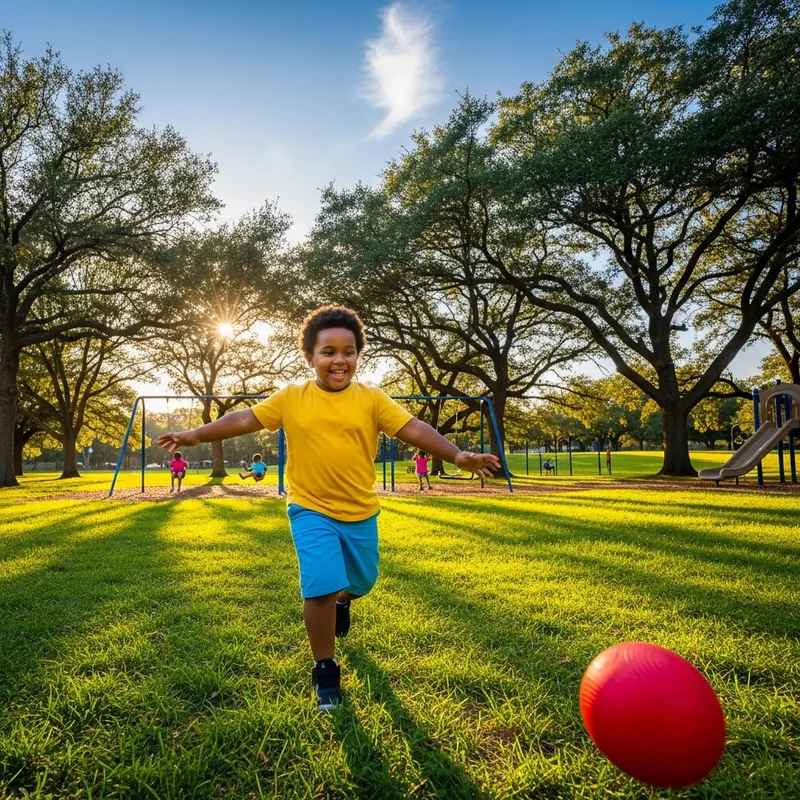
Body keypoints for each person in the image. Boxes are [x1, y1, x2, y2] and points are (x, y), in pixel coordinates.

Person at [158, 305, 500, 711]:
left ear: (358, 355)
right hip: (309, 508)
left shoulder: (372, 399)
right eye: (328, 352)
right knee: (319, 586)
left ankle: (344, 601)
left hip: (360, 511)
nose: (340, 360)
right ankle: (325, 668)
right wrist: (195, 435)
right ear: (310, 357)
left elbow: (414, 429)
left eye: (349, 351)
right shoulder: (292, 398)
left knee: (361, 581)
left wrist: (457, 455)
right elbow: (245, 419)